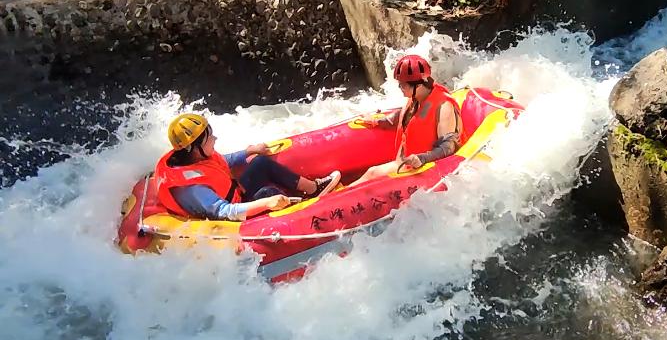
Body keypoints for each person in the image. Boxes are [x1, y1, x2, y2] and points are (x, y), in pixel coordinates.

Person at [154, 113, 341, 221]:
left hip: (236, 195)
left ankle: (314, 189)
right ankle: (308, 212)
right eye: (209, 137)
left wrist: (249, 151)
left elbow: (221, 162)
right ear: (194, 148)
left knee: (260, 162)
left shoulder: (195, 157)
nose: (215, 138)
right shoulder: (193, 189)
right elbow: (224, 212)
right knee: (267, 194)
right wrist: (266, 203)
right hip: (231, 219)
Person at [350, 54, 462, 186]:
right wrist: (378, 121)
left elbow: (448, 147)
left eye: (403, 85)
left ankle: (334, 196)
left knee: (372, 173)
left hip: (421, 170)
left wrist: (422, 158)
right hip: (405, 163)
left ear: (418, 86)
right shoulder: (418, 99)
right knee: (371, 172)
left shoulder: (444, 107)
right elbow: (406, 116)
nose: (400, 88)